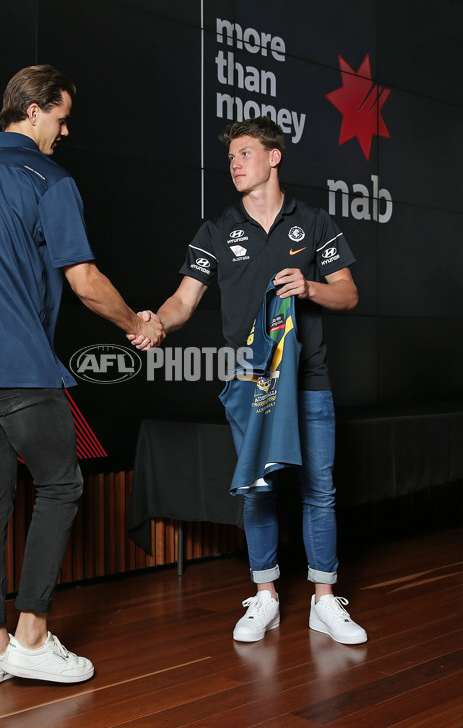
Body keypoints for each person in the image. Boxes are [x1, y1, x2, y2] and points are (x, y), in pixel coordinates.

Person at [0, 64, 163, 686]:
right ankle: (32, 635)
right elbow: (86, 282)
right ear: (35, 109)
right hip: (17, 364)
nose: (65, 131)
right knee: (62, 486)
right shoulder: (49, 179)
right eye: (62, 117)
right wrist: (137, 324)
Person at [131, 116, 367, 646]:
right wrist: (156, 323)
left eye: (243, 154)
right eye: (231, 157)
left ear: (273, 157)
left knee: (320, 491)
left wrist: (309, 287)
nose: (234, 164)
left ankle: (325, 601)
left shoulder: (314, 221)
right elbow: (183, 300)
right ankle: (265, 596)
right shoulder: (217, 230)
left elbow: (348, 294)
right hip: (252, 384)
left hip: (310, 382)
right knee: (257, 490)